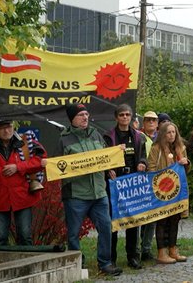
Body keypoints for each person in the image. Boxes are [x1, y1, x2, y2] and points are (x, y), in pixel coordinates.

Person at [57, 103, 123, 276]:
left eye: (86, 114)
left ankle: (105, 264)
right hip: (76, 194)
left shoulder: (96, 134)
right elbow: (58, 167)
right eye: (81, 115)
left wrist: (110, 167)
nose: (85, 117)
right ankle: (77, 265)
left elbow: (104, 156)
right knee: (73, 234)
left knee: (106, 227)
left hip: (99, 192)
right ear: (72, 119)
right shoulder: (64, 139)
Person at [103, 104, 147, 270]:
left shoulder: (137, 136)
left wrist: (142, 163)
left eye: (128, 115)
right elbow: (104, 158)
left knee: (132, 221)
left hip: (132, 183)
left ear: (131, 117)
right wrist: (108, 169)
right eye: (121, 115)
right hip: (114, 183)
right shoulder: (108, 136)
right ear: (116, 117)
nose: (125, 117)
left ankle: (132, 257)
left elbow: (143, 156)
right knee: (113, 222)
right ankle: (111, 258)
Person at [0, 117, 47, 246]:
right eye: (2, 128)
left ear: (13, 126)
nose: (6, 130)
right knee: (0, 237)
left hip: (23, 196)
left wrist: (18, 167)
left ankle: (27, 266)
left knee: (25, 237)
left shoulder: (27, 140)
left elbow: (42, 161)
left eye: (8, 126)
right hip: (0, 198)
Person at [147, 121, 190, 264]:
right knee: (162, 220)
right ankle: (161, 252)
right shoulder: (156, 148)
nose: (171, 135)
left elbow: (186, 170)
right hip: (162, 190)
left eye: (173, 132)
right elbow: (151, 168)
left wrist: (186, 163)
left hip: (176, 190)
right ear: (163, 134)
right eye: (168, 132)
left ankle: (173, 249)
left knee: (175, 220)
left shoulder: (180, 147)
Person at [138, 110, 159, 261]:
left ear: (157, 123)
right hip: (141, 181)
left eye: (153, 120)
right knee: (139, 217)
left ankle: (146, 248)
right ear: (143, 123)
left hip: (157, 181)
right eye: (148, 120)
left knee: (152, 216)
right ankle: (136, 249)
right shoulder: (138, 137)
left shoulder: (162, 138)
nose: (151, 122)